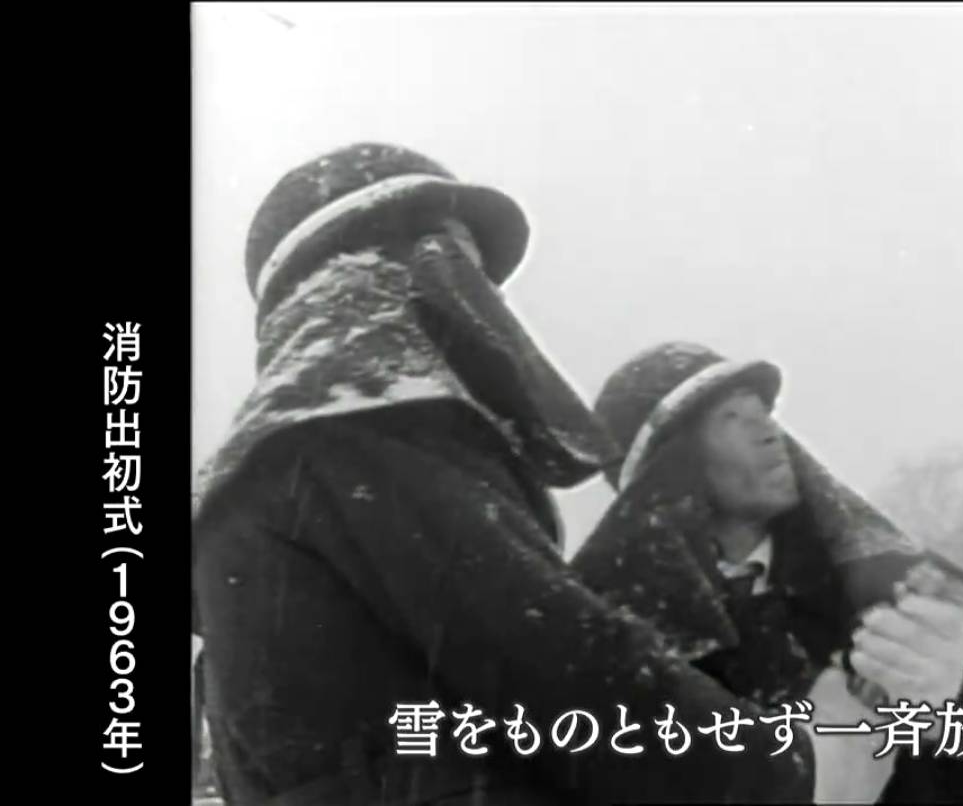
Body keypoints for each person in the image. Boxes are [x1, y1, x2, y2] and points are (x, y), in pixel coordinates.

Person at [192, 144, 852, 805]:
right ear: (379, 274)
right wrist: (800, 768)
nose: (479, 297)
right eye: (460, 264)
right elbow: (563, 667)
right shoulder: (362, 438)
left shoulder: (283, 468)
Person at [571, 342, 963, 803]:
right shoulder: (620, 653)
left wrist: (945, 718)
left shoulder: (870, 605)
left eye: (764, 412)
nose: (770, 431)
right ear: (667, 471)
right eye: (732, 417)